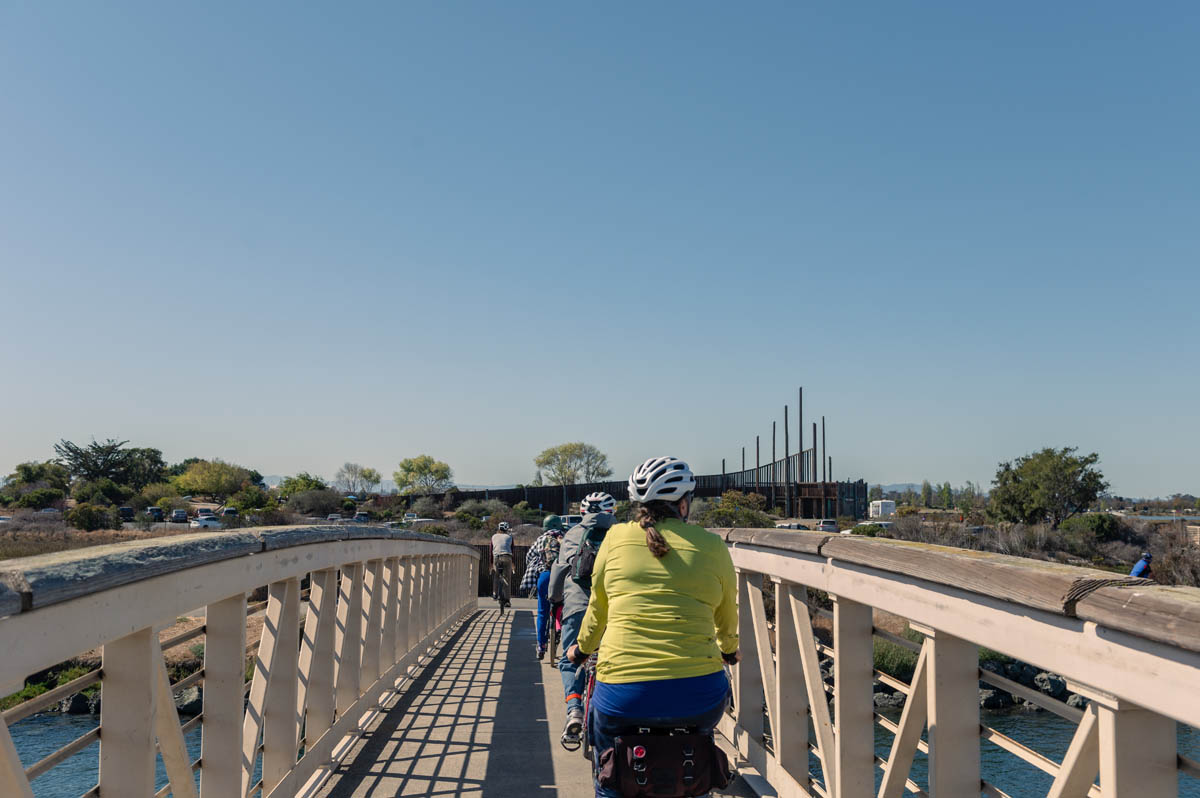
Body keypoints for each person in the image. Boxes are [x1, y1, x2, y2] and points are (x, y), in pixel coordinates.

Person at [566, 458, 739, 798]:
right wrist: (729, 649)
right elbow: (726, 613)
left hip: (624, 695)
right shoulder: (713, 546)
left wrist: (581, 649)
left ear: (638, 505)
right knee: (695, 765)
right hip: (699, 694)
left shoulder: (615, 539)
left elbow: (598, 609)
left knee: (608, 766)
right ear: (684, 504)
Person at [549, 491, 616, 748]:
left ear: (582, 513)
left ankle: (575, 707)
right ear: (612, 512)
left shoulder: (573, 534)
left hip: (577, 606)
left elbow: (559, 572)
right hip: (614, 609)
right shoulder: (624, 534)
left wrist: (555, 598)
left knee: (570, 658)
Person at [521, 515, 566, 658]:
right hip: (563, 576)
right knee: (565, 606)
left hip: (545, 576)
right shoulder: (567, 538)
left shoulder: (540, 540)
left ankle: (541, 645)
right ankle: (559, 627)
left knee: (542, 612)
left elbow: (529, 557)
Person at [490, 521, 515, 608]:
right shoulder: (510, 537)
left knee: (496, 576)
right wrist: (513, 563)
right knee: (507, 578)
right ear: (507, 529)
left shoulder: (493, 536)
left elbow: (491, 550)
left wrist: (491, 563)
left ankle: (495, 594)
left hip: (496, 557)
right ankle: (507, 600)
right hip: (507, 557)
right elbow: (512, 550)